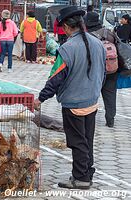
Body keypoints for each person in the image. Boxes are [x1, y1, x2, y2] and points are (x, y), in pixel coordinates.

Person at [34, 6, 106, 189]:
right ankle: (86, 173)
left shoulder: (67, 48)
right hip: (92, 101)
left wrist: (40, 98)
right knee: (87, 140)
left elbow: (56, 78)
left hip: (74, 103)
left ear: (66, 27)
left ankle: (81, 178)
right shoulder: (98, 43)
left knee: (77, 142)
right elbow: (104, 73)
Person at [87, 12, 118, 128]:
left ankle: (89, 118)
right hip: (111, 70)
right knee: (110, 96)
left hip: (94, 71)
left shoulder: (87, 36)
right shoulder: (109, 33)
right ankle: (110, 120)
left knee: (91, 95)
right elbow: (119, 48)